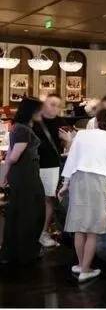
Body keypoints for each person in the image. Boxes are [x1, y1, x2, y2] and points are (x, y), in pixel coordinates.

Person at [58, 109, 106, 282]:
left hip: (78, 179)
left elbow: (71, 160)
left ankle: (81, 265)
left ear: (95, 121)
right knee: (92, 229)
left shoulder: (82, 135)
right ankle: (85, 270)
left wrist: (65, 184)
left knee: (79, 227)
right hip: (99, 182)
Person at [0, 98, 45, 265]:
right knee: (29, 212)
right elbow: (13, 156)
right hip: (25, 175)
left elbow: (10, 156)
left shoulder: (19, 127)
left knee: (19, 212)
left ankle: (14, 252)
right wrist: (6, 172)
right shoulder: (23, 130)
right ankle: (25, 252)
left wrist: (5, 175)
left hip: (22, 174)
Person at [33, 94, 72, 248]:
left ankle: (43, 232)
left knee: (48, 199)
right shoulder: (34, 121)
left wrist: (68, 141)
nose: (55, 108)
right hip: (33, 165)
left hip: (51, 166)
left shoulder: (61, 122)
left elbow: (68, 148)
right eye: (51, 104)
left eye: (57, 105)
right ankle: (32, 231)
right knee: (34, 200)